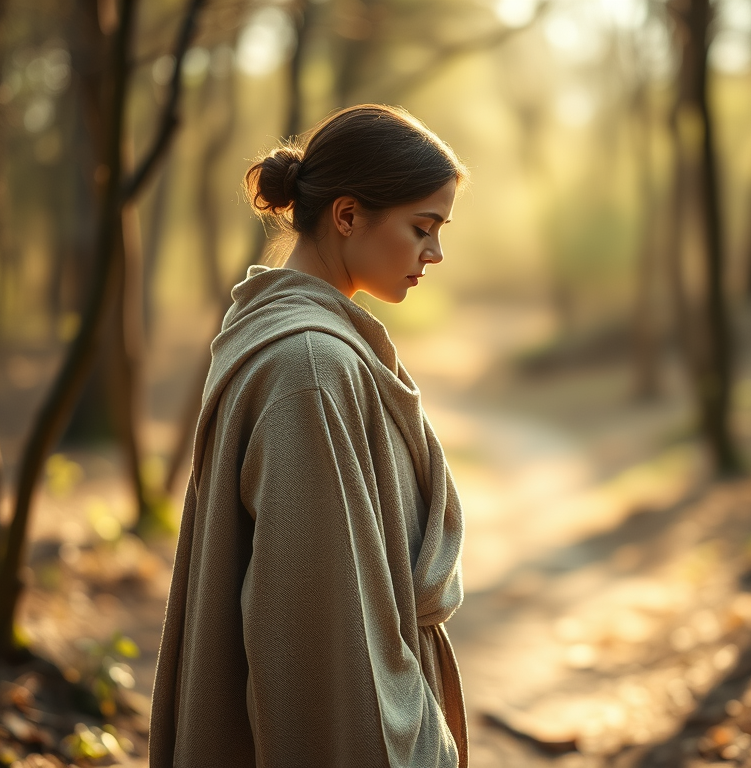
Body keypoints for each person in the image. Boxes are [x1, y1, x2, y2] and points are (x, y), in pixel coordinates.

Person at [148, 104, 469, 768]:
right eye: (422, 228)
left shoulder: (303, 344)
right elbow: (318, 643)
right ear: (347, 216)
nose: (435, 253)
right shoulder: (311, 368)